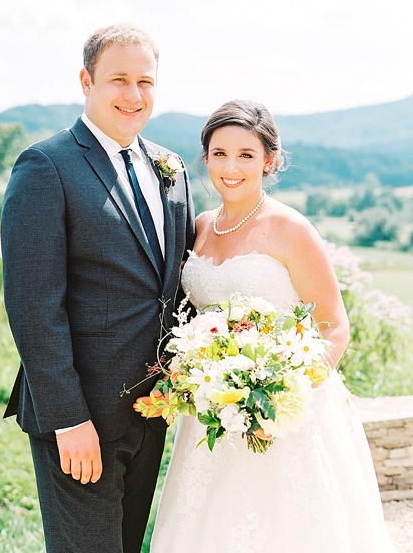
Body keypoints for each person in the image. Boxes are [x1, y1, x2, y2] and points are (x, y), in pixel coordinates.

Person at [144, 100, 395, 552]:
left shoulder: (291, 229)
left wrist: (279, 402)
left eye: (246, 155)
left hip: (285, 415)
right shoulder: (199, 227)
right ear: (205, 159)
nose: (231, 167)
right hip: (212, 414)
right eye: (219, 154)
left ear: (269, 160)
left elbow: (335, 327)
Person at [0, 23, 195, 553]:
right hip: (81, 417)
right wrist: (69, 420)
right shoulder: (46, 166)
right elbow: (33, 306)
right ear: (87, 81)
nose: (133, 96)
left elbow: (175, 291)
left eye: (146, 82)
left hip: (149, 411)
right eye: (119, 79)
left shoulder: (171, 169)